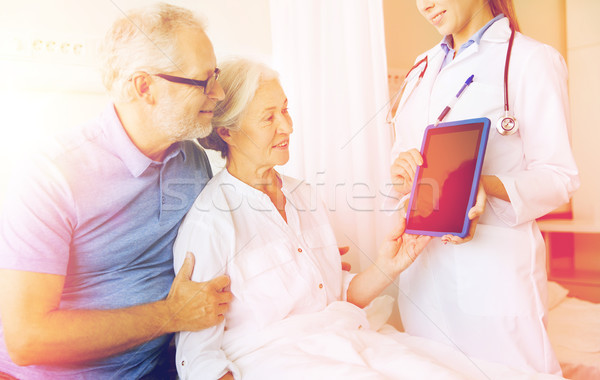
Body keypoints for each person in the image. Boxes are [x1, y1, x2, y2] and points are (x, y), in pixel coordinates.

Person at [0, 3, 232, 378]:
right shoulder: (49, 174)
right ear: (145, 88)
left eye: (216, 76)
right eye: (203, 81)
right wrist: (171, 314)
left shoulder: (190, 160)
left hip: (157, 363)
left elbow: (219, 239)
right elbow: (27, 339)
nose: (218, 93)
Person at [172, 59, 433, 379]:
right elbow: (198, 358)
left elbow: (336, 297)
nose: (287, 126)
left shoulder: (304, 195)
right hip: (276, 363)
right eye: (269, 117)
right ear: (228, 132)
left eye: (285, 109)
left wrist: (389, 265)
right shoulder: (210, 222)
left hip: (345, 344)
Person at [388, 0, 579, 374]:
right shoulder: (420, 68)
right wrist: (399, 171)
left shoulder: (530, 60)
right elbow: (401, 163)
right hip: (423, 275)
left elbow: (560, 176)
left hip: (493, 274)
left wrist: (479, 185)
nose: (423, 5)